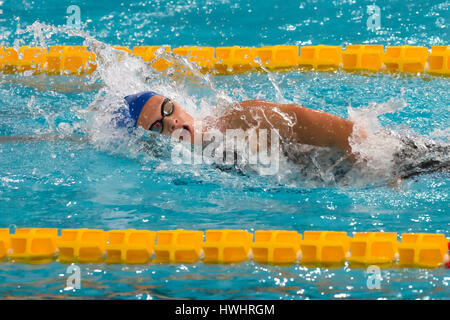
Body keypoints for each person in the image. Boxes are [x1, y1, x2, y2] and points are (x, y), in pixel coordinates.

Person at [118, 91, 449, 180]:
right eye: (157, 127)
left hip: (372, 159)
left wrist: (364, 151)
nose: (171, 123)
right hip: (338, 175)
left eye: (168, 109)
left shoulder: (231, 119)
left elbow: (296, 117)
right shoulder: (190, 160)